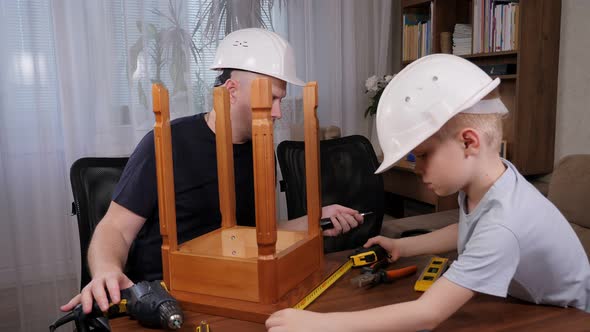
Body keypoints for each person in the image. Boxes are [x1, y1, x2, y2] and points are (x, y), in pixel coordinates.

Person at [266, 54, 590, 332]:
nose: (417, 168)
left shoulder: (505, 224)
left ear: (469, 142)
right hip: (526, 302)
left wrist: (321, 324)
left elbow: (428, 314)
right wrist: (401, 245)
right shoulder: (492, 179)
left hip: (569, 318)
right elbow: (464, 230)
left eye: (422, 155)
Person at [61, 28, 364, 315]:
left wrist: (316, 219)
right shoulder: (167, 142)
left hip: (234, 289)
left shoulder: (261, 149)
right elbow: (114, 228)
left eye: (280, 100)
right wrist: (107, 271)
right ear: (232, 90)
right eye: (271, 98)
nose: (278, 113)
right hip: (166, 296)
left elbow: (254, 236)